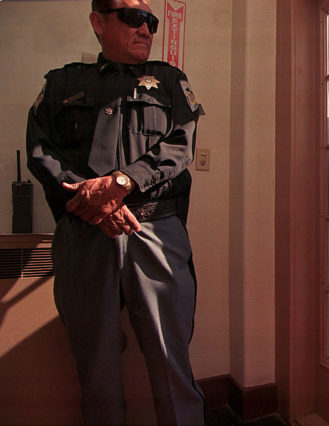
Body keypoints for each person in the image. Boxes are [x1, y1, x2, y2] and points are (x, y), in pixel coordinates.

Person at [26, 1, 206, 424]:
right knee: (96, 364)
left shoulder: (168, 80)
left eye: (151, 21)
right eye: (131, 17)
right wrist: (94, 203)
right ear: (98, 22)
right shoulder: (60, 82)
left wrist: (122, 183)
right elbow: (41, 152)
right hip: (85, 235)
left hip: (155, 230)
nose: (145, 28)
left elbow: (181, 143)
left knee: (170, 358)